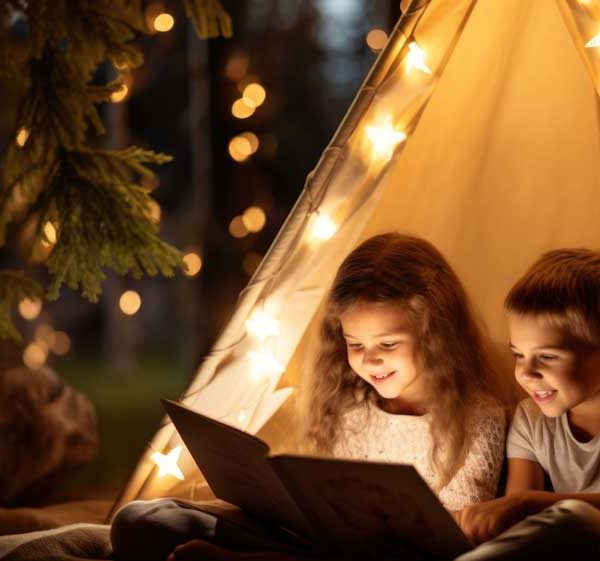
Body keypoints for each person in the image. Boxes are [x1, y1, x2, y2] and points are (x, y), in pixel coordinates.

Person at [111, 233, 508, 561]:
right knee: (142, 520)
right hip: (308, 542)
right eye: (355, 344)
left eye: (387, 343)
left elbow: (455, 533)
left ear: (435, 335)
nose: (369, 361)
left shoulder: (476, 418)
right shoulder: (349, 403)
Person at [455, 249, 600, 560]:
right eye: (518, 354)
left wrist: (531, 504)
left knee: (576, 517)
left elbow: (527, 507)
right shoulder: (531, 418)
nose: (525, 372)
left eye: (547, 356)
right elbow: (518, 521)